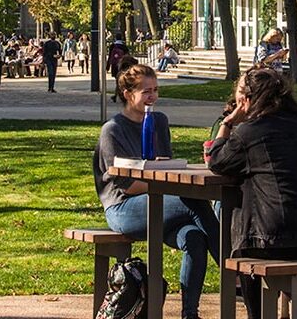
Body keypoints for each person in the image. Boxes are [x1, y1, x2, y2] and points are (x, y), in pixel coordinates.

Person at [207, 67, 297, 319]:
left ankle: (259, 314)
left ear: (249, 100)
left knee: (243, 239)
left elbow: (217, 161)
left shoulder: (249, 132)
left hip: (270, 240)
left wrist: (228, 122)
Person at [94, 62, 219, 319]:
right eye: (146, 91)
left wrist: (165, 180)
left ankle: (190, 314)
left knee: (194, 237)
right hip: (123, 208)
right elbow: (126, 186)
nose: (153, 96)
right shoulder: (113, 130)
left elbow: (167, 166)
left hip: (161, 202)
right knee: (193, 201)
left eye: (156, 90)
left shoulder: (159, 121)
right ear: (129, 94)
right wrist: (164, 184)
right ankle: (233, 271)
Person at [107, 34, 130, 102]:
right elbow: (127, 56)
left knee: (118, 81)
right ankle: (119, 95)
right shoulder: (124, 46)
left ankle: (118, 95)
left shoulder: (112, 46)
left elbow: (110, 56)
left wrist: (107, 66)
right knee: (121, 80)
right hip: (122, 65)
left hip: (114, 65)